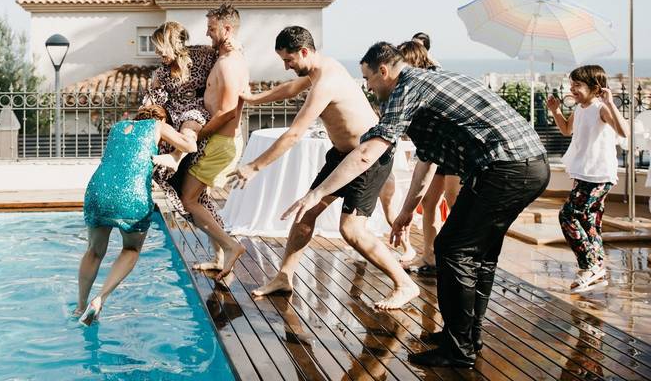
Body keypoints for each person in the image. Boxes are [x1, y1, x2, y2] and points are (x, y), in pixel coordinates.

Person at [284, 42, 547, 368]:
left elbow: (369, 152)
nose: (367, 87)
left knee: (453, 249)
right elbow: (426, 160)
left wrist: (316, 192)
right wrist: (407, 211)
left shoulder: (405, 90)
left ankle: (459, 349)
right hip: (526, 165)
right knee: (479, 253)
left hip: (505, 167)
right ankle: (464, 335)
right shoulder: (429, 83)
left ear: (384, 70)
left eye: (367, 78)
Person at [228, 26, 419, 310]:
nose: (286, 66)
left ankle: (405, 284)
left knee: (352, 230)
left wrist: (254, 167)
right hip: (342, 155)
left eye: (289, 60)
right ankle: (284, 277)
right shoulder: (320, 69)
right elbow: (290, 88)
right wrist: (254, 98)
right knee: (305, 213)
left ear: (304, 52)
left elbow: (293, 135)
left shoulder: (326, 81)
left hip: (368, 158)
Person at [77, 104, 198, 325]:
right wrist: (177, 149)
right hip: (131, 196)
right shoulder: (158, 125)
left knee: (94, 251)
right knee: (131, 249)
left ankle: (80, 305)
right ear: (163, 119)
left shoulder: (117, 127)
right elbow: (190, 146)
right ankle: (100, 299)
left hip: (97, 191)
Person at [177, 4, 250, 279]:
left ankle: (231, 247)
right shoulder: (230, 56)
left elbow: (227, 111)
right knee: (201, 198)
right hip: (219, 140)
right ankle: (219, 255)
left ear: (227, 29)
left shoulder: (230, 64)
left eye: (211, 28)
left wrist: (198, 135)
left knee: (189, 199)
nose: (207, 33)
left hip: (219, 141)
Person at [547, 65, 627, 293]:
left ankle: (589, 265)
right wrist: (555, 111)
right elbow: (565, 130)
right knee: (589, 222)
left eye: (577, 85)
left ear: (595, 88)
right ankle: (598, 268)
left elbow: (624, 132)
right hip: (583, 172)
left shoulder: (601, 108)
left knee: (568, 215)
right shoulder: (581, 108)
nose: (572, 89)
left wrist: (611, 103)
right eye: (571, 84)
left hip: (599, 174)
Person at [145, 21, 226, 227]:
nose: (156, 52)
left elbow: (226, 55)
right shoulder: (161, 72)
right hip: (174, 113)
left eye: (159, 46)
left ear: (171, 43)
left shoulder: (202, 55)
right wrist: (152, 91)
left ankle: (177, 155)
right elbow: (155, 102)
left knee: (190, 122)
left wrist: (237, 46)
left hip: (197, 108)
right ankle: (175, 154)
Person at [396, 39, 460, 276]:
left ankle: (454, 257)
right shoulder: (413, 85)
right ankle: (430, 257)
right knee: (429, 203)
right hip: (437, 150)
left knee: (454, 202)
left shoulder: (434, 79)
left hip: (454, 150)